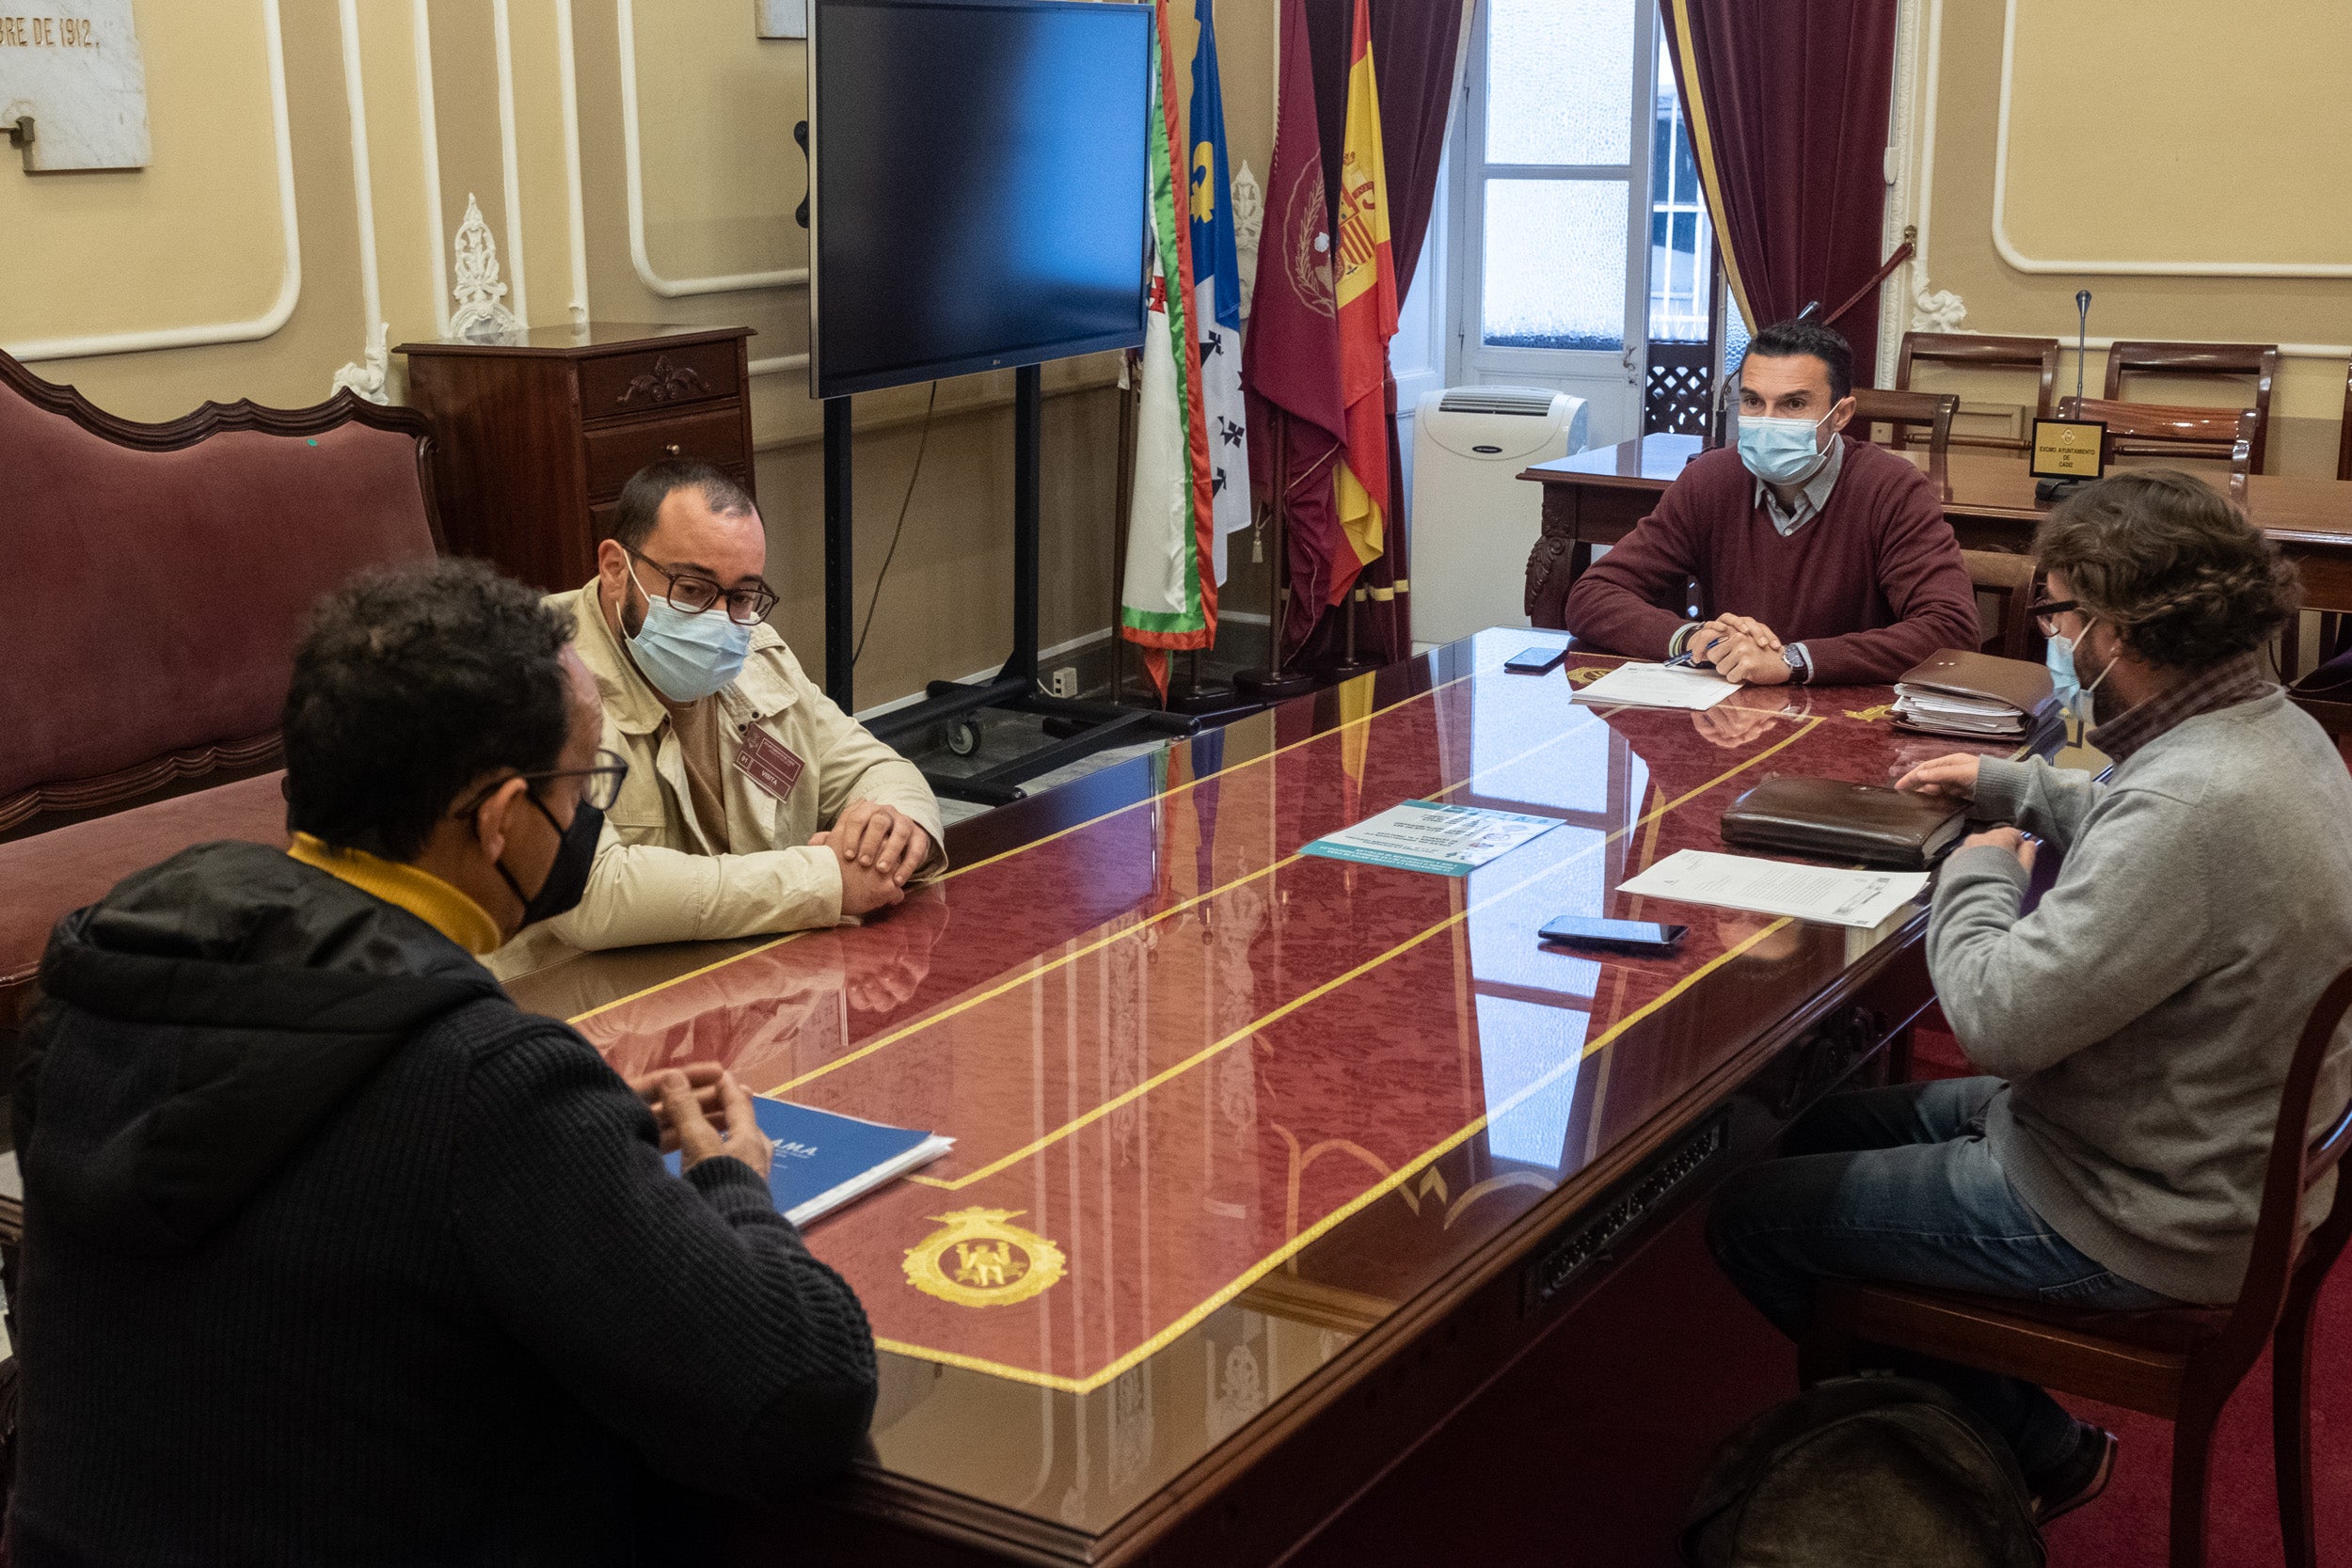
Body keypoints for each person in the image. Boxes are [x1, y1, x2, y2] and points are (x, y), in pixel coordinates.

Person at [9, 560, 879, 1565]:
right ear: (502, 817)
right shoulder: (487, 1092)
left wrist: (574, 1141)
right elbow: (798, 1394)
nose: (587, 817)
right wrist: (731, 1184)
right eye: (584, 783)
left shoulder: (99, 978)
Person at [1706, 469, 2352, 1522]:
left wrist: (1980, 868)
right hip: (2194, 1144)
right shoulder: (2272, 731)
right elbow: (2139, 816)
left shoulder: (2194, 801)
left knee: (1753, 1216)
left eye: (2056, 614)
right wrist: (2010, 785)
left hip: (2136, 1206)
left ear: (2116, 628)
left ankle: (2030, 1449)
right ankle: (1963, 1405)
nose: (2052, 637)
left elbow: (1994, 1018)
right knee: (1802, 1124)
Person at [491, 458, 946, 979]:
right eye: (691, 590)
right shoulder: (540, 673)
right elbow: (593, 893)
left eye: (743, 595)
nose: (722, 619)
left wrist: (893, 830)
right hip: (583, 1000)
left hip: (752, 976)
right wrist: (823, 881)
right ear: (616, 570)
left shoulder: (755, 650)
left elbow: (876, 769)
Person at [1563, 319, 1979, 686]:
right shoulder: (1711, 479)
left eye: (1794, 404)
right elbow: (1593, 595)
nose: (1767, 420)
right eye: (1753, 401)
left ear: (1841, 414)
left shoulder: (1890, 488)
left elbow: (1951, 629)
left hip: (1841, 717)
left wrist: (1791, 660)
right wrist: (1694, 637)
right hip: (1728, 715)